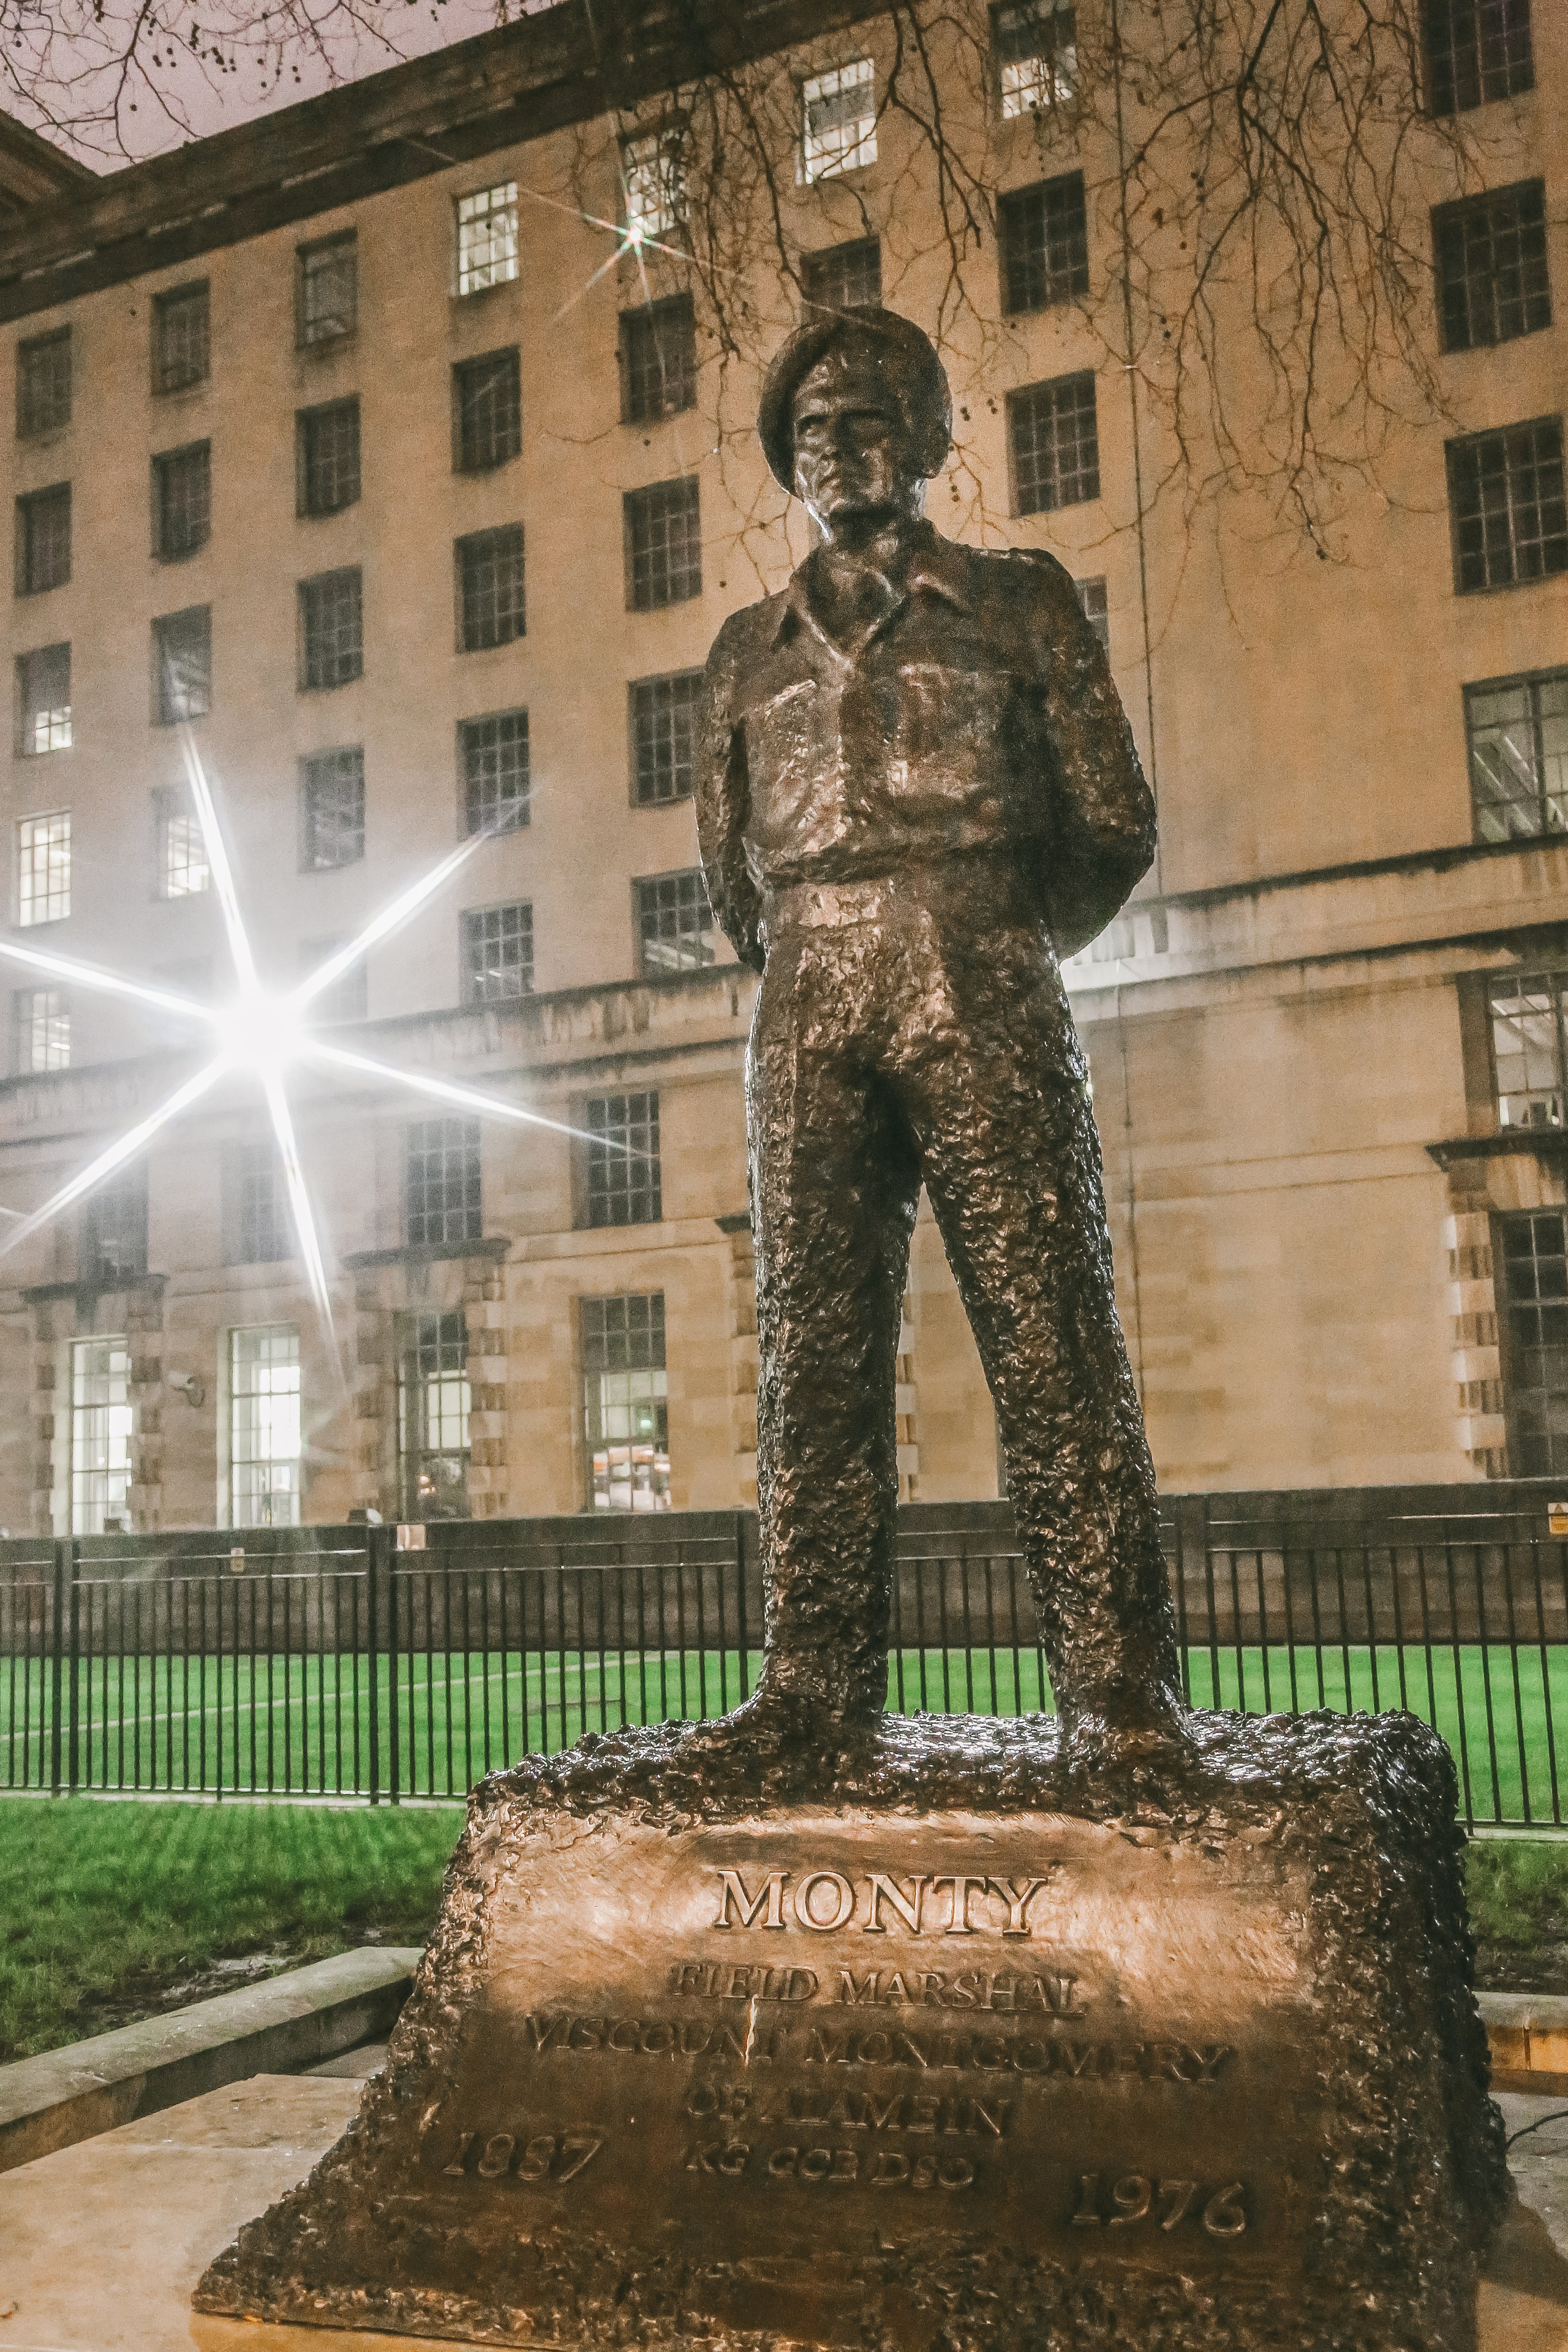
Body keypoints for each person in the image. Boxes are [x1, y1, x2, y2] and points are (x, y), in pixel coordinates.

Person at [696, 307, 1185, 1758]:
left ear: (923, 438)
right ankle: (807, 1688)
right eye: (807, 431)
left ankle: (1116, 1694)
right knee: (812, 1350)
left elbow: (1110, 821)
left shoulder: (1019, 600)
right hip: (806, 990)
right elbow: (729, 871)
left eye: (860, 418)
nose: (833, 447)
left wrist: (992, 931)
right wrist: (824, 944)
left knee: (1048, 1333)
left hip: (979, 963)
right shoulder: (741, 652)